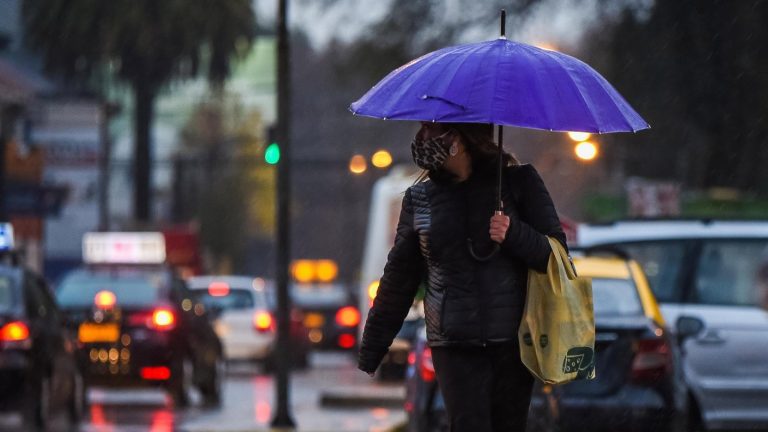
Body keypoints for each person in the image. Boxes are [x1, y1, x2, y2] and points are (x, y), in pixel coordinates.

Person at [358, 121, 568, 432]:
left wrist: (514, 234)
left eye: (431, 129)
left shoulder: (518, 183)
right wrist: (373, 348)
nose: (421, 138)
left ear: (459, 138)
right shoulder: (420, 200)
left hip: (512, 343)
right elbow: (399, 279)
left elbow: (558, 259)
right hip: (453, 342)